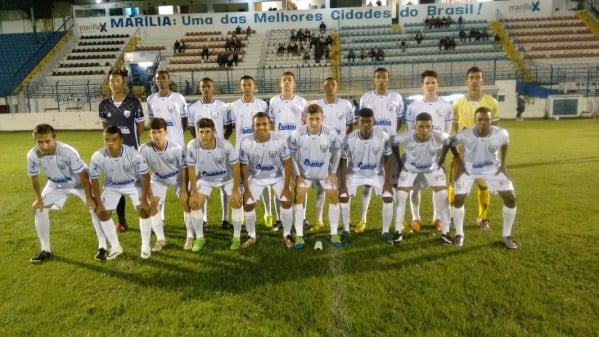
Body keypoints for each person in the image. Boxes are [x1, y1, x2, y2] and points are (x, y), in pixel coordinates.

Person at [27, 124, 110, 262]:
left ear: (55, 139)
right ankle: (45, 250)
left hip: (79, 183)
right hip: (56, 184)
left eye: (47, 141)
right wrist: (38, 199)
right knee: (39, 209)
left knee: (96, 209)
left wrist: (89, 198)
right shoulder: (32, 155)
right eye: (39, 142)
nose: (44, 145)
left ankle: (103, 247)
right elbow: (34, 178)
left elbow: (83, 175)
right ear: (35, 140)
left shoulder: (67, 151)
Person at [450, 107, 518, 249]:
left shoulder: (501, 133)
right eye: (480, 119)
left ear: (491, 120)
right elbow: (450, 143)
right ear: (474, 121)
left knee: (511, 197)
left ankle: (506, 236)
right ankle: (459, 234)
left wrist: (503, 165)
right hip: (469, 169)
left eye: (486, 119)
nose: (483, 122)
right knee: (458, 198)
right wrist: (458, 162)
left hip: (492, 169)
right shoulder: (465, 133)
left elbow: (505, 143)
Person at [89, 126, 152, 259]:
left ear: (121, 140)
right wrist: (99, 203)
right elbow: (93, 179)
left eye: (114, 139)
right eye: (107, 140)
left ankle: (145, 246)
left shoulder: (134, 154)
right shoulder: (98, 156)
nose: (110, 143)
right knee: (101, 213)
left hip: (133, 184)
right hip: (111, 186)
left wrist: (145, 199)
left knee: (144, 210)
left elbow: (145, 176)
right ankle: (116, 247)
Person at [288, 104, 343, 249]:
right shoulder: (297, 134)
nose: (313, 122)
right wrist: (297, 175)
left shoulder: (330, 133)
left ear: (322, 118)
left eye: (317, 119)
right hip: (304, 173)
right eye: (310, 119)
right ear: (305, 119)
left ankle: (334, 233)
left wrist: (333, 172)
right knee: (298, 197)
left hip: (325, 173)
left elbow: (337, 151)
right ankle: (299, 236)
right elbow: (291, 156)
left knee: (333, 197)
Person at [404, 70, 452, 233]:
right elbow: (410, 132)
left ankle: (436, 218)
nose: (431, 85)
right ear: (422, 85)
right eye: (427, 83)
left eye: (433, 82)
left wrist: (442, 154)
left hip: (437, 155)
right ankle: (415, 218)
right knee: (414, 188)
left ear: (437, 84)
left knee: (437, 188)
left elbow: (447, 132)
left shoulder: (446, 105)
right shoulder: (413, 107)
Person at [451, 66, 500, 230]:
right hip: (463, 153)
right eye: (471, 77)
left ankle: (482, 218)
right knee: (455, 184)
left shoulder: (491, 102)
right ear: (467, 81)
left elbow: (496, 129)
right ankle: (452, 217)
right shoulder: (458, 103)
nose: (474, 81)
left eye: (478, 77)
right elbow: (455, 127)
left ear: (482, 80)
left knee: (483, 185)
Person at [357, 68, 404, 233]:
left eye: (384, 77)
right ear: (374, 80)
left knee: (396, 184)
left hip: (392, 144)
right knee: (367, 185)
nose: (381, 80)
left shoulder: (397, 98)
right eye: (378, 77)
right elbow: (362, 121)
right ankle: (362, 219)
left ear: (388, 79)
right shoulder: (366, 98)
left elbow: (398, 122)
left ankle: (399, 222)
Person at [393, 112, 451, 244]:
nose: (424, 130)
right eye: (421, 126)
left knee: (442, 194)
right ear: (415, 127)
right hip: (411, 168)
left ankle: (446, 232)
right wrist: (400, 163)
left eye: (427, 126)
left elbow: (449, 141)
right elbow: (394, 142)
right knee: (401, 196)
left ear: (432, 126)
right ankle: (397, 232)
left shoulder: (437, 135)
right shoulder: (408, 136)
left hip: (430, 167)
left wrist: (441, 160)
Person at [99, 68, 145, 233]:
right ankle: (122, 222)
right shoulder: (104, 105)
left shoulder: (133, 102)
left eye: (117, 81)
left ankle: (148, 219)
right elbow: (106, 128)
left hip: (133, 152)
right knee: (117, 187)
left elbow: (140, 126)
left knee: (139, 187)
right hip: (114, 155)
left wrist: (131, 144)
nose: (114, 84)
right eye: (111, 81)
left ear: (123, 83)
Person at [339, 108, 394, 245]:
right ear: (358, 122)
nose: (365, 124)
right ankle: (346, 230)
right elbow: (343, 161)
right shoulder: (349, 138)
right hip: (355, 173)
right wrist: (343, 184)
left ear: (373, 122)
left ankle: (386, 232)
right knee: (343, 196)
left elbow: (388, 159)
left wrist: (387, 182)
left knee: (388, 197)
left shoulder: (383, 137)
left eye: (368, 121)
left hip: (376, 173)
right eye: (362, 121)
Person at [186, 118, 243, 251]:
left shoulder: (225, 145)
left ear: (214, 132)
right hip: (205, 179)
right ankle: (200, 238)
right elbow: (190, 169)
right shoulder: (192, 146)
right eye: (201, 132)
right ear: (197, 132)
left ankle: (236, 237)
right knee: (194, 203)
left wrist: (235, 190)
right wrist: (194, 192)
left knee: (236, 201)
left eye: (207, 132)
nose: (204, 135)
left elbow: (236, 167)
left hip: (226, 178)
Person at [239, 112, 294, 248]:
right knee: (248, 204)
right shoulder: (246, 142)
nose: (261, 127)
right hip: (256, 177)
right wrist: (246, 189)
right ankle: (251, 236)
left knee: (286, 201)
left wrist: (286, 187)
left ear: (270, 125)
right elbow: (244, 166)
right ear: (253, 126)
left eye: (264, 124)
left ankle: (287, 234)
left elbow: (287, 162)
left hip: (277, 177)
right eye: (258, 124)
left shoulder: (279, 140)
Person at [187, 77, 232, 230]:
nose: (206, 89)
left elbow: (229, 126)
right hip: (201, 152)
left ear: (213, 88)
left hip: (219, 152)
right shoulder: (193, 108)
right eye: (203, 86)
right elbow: (191, 128)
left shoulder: (222, 106)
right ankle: (204, 218)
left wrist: (220, 143)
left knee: (224, 184)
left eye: (208, 86)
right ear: (200, 89)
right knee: (202, 182)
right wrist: (201, 142)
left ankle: (225, 218)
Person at [228, 76, 273, 227]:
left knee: (264, 182)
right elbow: (233, 128)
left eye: (249, 85)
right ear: (240, 87)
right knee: (241, 184)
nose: (247, 87)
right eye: (244, 85)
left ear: (254, 87)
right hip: (241, 151)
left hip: (260, 151)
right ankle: (241, 214)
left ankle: (268, 213)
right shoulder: (234, 106)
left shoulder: (262, 105)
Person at [138, 118, 188, 252]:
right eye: (153, 132)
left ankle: (190, 236)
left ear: (166, 132)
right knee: (151, 205)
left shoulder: (176, 148)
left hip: (177, 178)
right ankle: (161, 239)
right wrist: (150, 195)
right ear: (150, 134)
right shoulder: (144, 149)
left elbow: (185, 170)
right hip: (158, 179)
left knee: (187, 202)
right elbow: (144, 174)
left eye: (160, 132)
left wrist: (184, 191)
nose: (157, 136)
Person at [268, 71, 308, 231]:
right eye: (284, 80)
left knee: (300, 185)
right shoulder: (273, 101)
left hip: (297, 150)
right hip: (279, 151)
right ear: (280, 83)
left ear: (294, 84)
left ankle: (302, 218)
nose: (286, 82)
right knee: (278, 186)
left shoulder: (301, 102)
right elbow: (270, 124)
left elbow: (306, 124)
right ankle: (280, 219)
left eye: (289, 80)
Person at [313, 77, 355, 230]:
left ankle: (346, 221)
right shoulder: (317, 105)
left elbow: (350, 125)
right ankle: (318, 220)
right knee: (320, 188)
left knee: (343, 187)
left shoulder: (346, 105)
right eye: (327, 85)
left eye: (333, 85)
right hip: (321, 153)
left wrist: (343, 140)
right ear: (323, 88)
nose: (330, 87)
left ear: (337, 87)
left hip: (341, 153)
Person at [146, 71, 190, 149]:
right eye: (158, 78)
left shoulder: (179, 98)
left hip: (177, 141)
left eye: (163, 78)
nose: (160, 80)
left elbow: (185, 121)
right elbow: (152, 121)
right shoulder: (150, 99)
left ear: (169, 80)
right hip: (159, 141)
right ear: (155, 81)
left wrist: (178, 132)